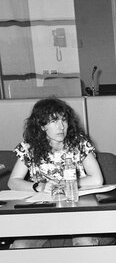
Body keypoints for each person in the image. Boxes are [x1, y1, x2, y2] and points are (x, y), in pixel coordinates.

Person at [8, 97, 104, 248]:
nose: (61, 127)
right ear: (41, 126)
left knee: (84, 242)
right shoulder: (29, 147)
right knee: (21, 246)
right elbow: (13, 181)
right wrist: (38, 186)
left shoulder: (79, 143)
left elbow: (97, 179)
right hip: (43, 216)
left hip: (77, 210)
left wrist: (67, 185)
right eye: (54, 121)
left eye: (64, 120)